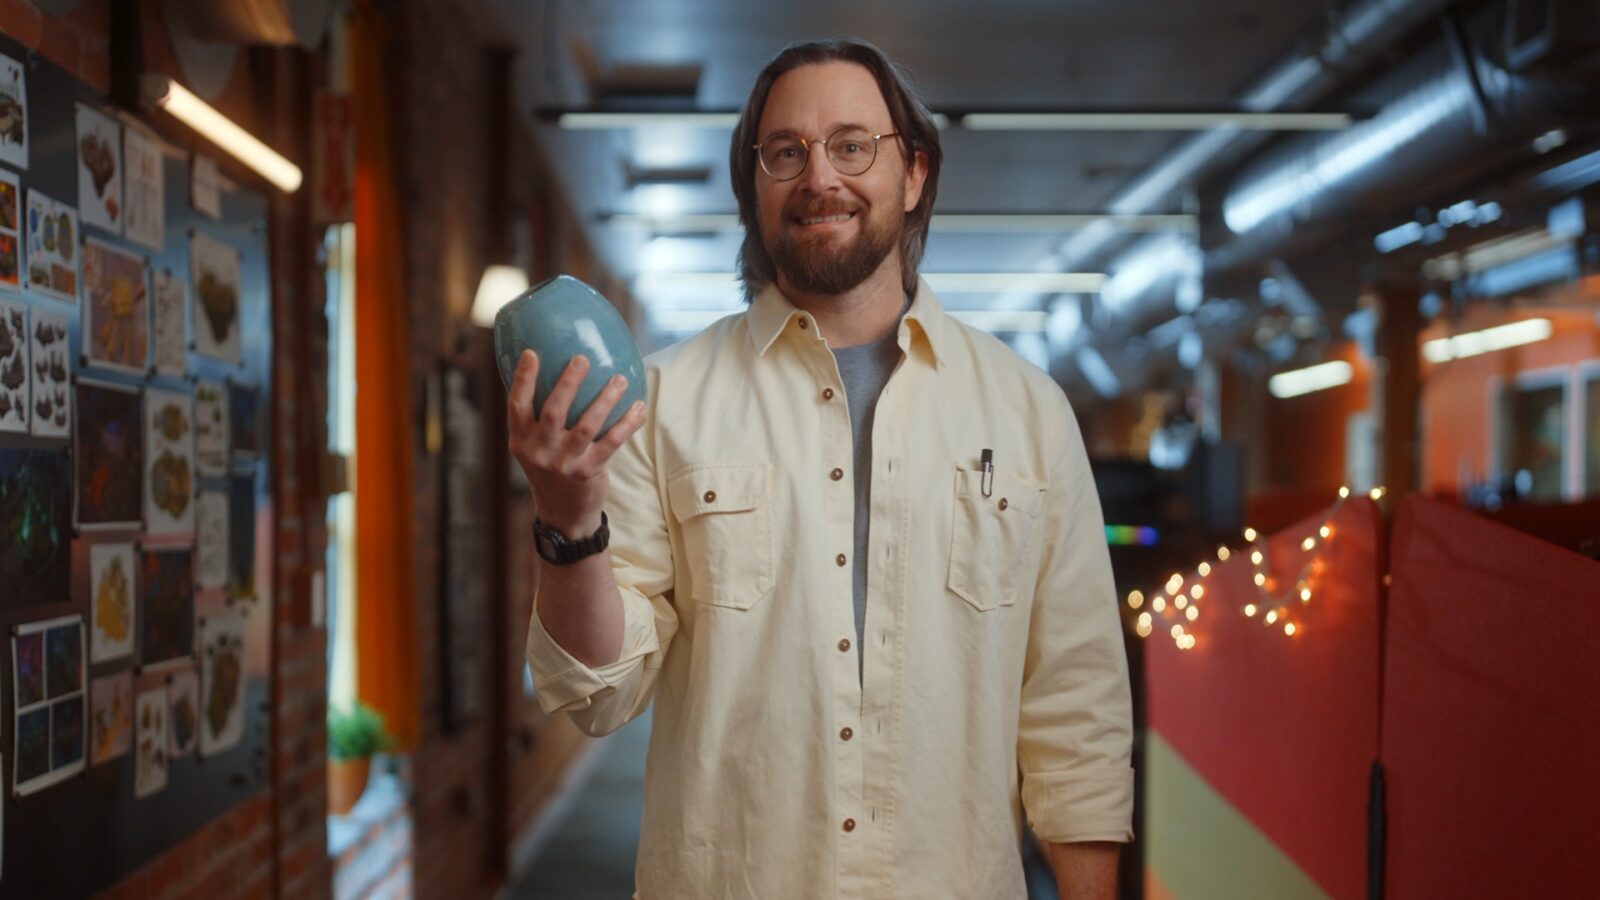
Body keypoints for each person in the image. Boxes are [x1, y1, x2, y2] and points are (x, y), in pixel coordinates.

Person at [507, 36, 1134, 900]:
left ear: (913, 174)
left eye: (851, 145)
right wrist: (569, 519)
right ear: (753, 187)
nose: (819, 177)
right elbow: (598, 695)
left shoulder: (1027, 412)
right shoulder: (667, 400)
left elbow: (1078, 703)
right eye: (785, 152)